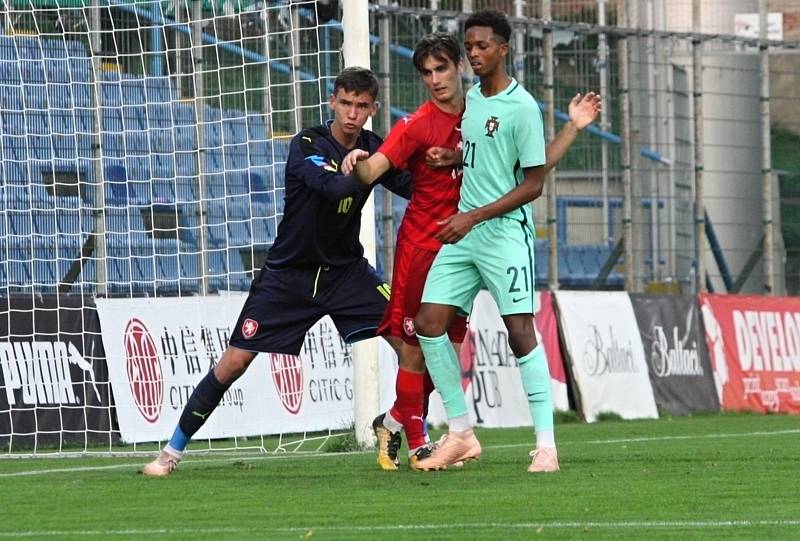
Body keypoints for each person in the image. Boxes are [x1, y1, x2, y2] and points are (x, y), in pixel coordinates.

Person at [342, 31, 600, 471]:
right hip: (431, 242)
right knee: (420, 337)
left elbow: (527, 169)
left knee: (505, 334)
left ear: (463, 65)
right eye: (426, 73)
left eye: (442, 68)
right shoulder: (426, 120)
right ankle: (434, 436)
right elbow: (376, 169)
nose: (436, 79)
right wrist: (356, 159)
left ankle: (535, 444)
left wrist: (571, 128)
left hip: (486, 233)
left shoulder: (494, 105)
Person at [142, 67, 411, 476]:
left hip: (346, 273)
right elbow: (332, 189)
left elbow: (412, 186)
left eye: (361, 106)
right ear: (331, 102)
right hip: (290, 275)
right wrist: (358, 167)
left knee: (414, 348)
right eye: (345, 103)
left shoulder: (375, 147)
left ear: (373, 108)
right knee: (234, 362)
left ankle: (392, 425)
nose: (352, 114)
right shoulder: (307, 143)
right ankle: (170, 452)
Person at [410, 10, 562, 472]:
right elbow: (485, 154)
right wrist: (451, 156)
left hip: (503, 234)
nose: (473, 53)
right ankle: (460, 433)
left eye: (481, 46)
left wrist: (473, 215)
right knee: (428, 322)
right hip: (465, 232)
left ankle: (547, 446)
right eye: (469, 46)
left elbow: (533, 182)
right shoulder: (473, 99)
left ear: (503, 49)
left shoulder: (523, 108)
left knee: (519, 333)